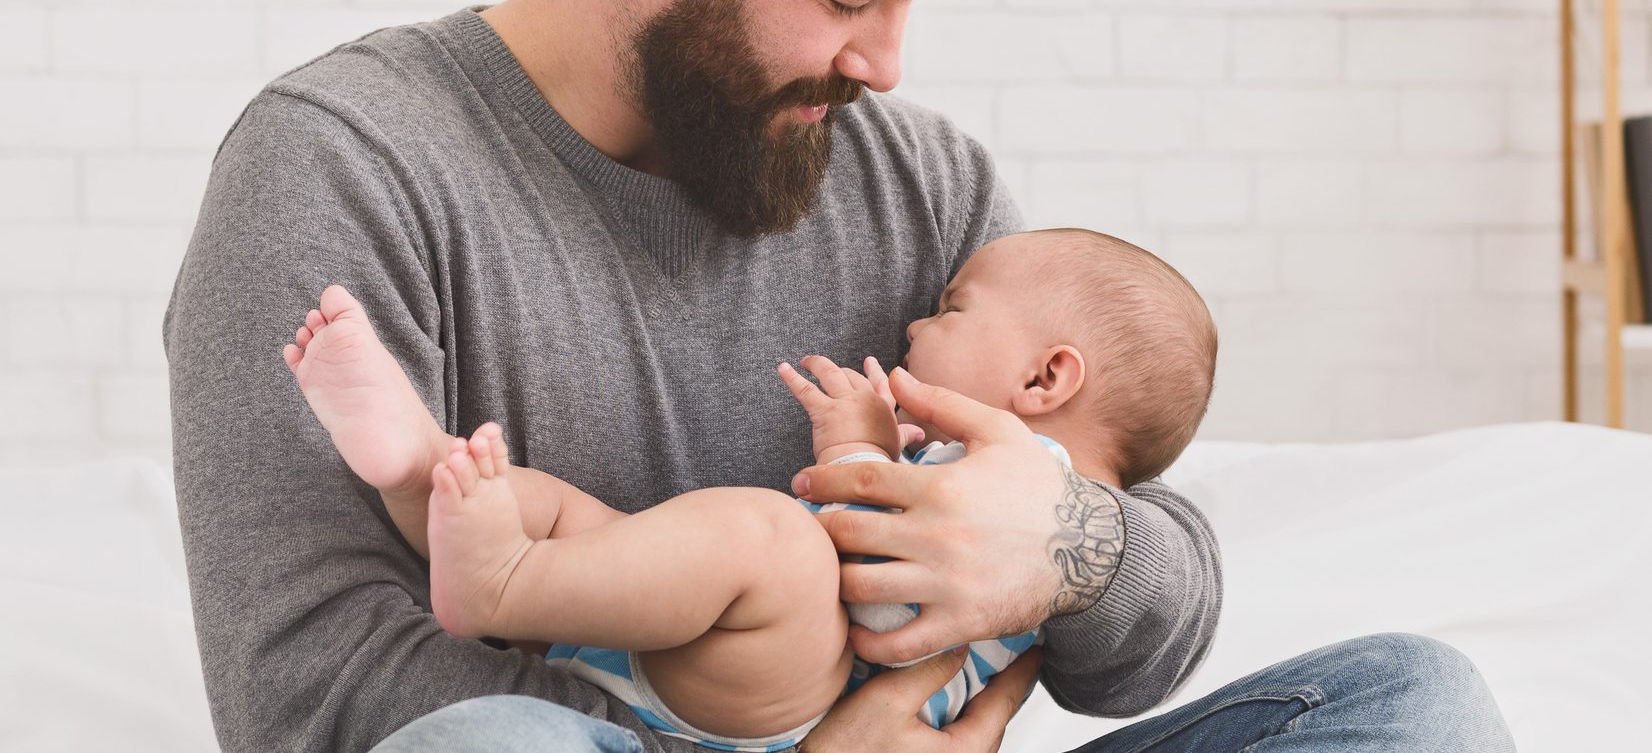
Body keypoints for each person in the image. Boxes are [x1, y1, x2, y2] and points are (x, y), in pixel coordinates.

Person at [164, 0, 1515, 752]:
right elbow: (310, 698)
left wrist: (1061, 540)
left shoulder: (915, 178)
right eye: (847, 0)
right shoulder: (342, 162)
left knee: (1419, 703)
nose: (885, 63)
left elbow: (1141, 626)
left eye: (907, 1)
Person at [278, 228, 1218, 750]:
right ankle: (418, 469)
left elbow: (891, 625)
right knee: (582, 521)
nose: (918, 322)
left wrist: (862, 457)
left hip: (817, 702)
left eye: (950, 310)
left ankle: (502, 584)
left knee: (771, 539)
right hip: (717, 668)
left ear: (1047, 381)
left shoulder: (1034, 490)